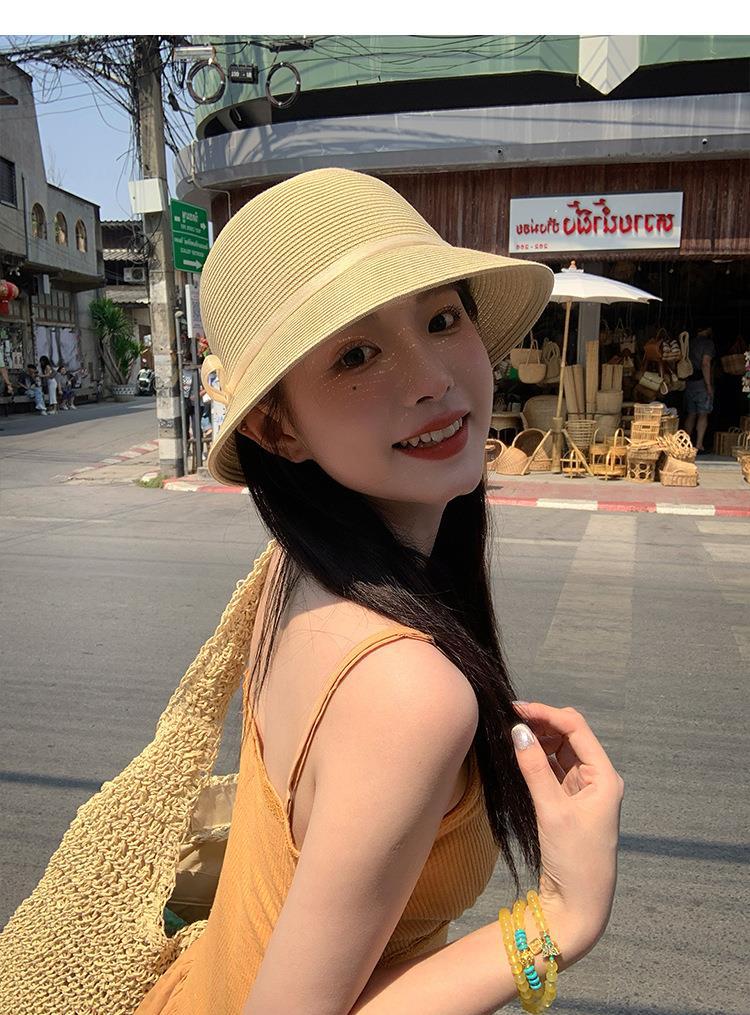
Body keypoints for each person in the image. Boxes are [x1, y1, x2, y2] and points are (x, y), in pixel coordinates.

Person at [128, 168, 624, 1015]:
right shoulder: (407, 691)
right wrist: (558, 920)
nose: (431, 377)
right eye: (356, 354)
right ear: (277, 426)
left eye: (441, 318)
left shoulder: (298, 569)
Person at [683, 325, 715, 454]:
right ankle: (699, 444)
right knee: (703, 414)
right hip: (701, 382)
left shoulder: (689, 343)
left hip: (689, 382)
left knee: (691, 414)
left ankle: (685, 444)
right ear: (708, 329)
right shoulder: (708, 344)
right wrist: (708, 385)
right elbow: (705, 363)